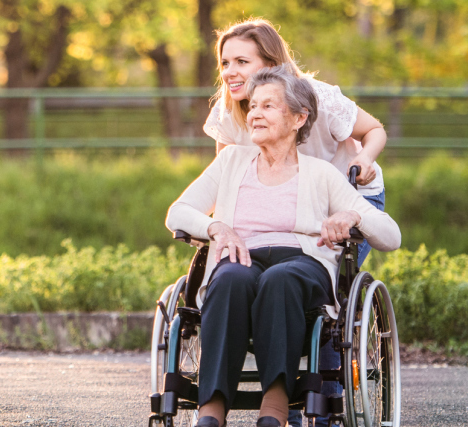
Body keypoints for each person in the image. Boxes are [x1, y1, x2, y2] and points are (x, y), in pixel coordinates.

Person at [166, 66, 400, 427]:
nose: (255, 113)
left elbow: (390, 235)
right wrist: (215, 226)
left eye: (269, 106)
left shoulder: (320, 173)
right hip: (240, 257)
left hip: (302, 262)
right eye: (253, 106)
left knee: (280, 279)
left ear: (298, 118)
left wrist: (354, 218)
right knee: (229, 281)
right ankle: (211, 410)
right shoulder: (231, 161)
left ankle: (274, 407)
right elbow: (177, 212)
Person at [204, 18, 388, 268]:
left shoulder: (317, 98)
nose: (228, 72)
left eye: (242, 62)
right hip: (290, 202)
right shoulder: (227, 112)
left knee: (327, 278)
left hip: (347, 195)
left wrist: (365, 158)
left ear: (271, 65)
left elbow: (374, 130)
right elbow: (225, 183)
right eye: (225, 63)